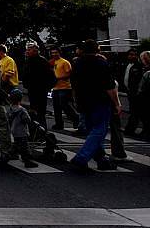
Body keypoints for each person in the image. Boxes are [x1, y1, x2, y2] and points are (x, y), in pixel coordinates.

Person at [69, 39, 121, 171]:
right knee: (99, 130)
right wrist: (117, 103)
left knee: (92, 130)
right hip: (100, 100)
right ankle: (81, 157)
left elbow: (74, 84)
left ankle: (101, 158)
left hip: (83, 101)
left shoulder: (77, 63)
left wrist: (75, 99)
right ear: (97, 49)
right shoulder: (101, 63)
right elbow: (110, 86)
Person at [21, 42, 54, 130]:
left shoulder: (42, 61)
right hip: (33, 89)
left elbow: (51, 75)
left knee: (40, 111)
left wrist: (47, 87)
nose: (27, 51)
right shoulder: (29, 61)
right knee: (34, 111)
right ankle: (36, 129)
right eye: (27, 50)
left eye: (29, 50)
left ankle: (41, 130)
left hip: (40, 89)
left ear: (35, 51)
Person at [49, 47, 79, 131]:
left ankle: (76, 119)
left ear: (59, 53)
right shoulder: (52, 62)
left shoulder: (65, 62)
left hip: (65, 88)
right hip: (55, 88)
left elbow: (69, 74)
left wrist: (58, 78)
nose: (54, 54)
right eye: (52, 53)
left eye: (56, 52)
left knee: (66, 106)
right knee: (56, 107)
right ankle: (59, 124)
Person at [7, 88, 39, 168]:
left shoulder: (10, 109)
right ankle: (27, 161)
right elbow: (27, 120)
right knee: (25, 148)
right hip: (22, 131)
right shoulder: (22, 110)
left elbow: (9, 118)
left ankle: (7, 156)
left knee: (16, 145)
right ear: (21, 98)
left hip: (14, 130)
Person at [123, 49, 144, 136]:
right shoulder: (127, 65)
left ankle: (130, 129)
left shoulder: (138, 66)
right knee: (133, 111)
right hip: (129, 91)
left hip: (136, 92)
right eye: (131, 55)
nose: (132, 56)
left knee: (135, 111)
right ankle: (130, 128)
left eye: (134, 55)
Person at [138, 51, 150, 138]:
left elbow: (142, 86)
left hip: (146, 96)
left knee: (146, 115)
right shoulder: (143, 69)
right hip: (144, 96)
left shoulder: (147, 72)